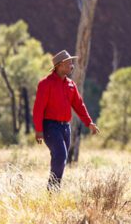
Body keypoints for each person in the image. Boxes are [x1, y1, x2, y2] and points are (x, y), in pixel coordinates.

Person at [32, 50, 99, 189]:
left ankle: (53, 191)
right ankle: (52, 190)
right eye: (69, 63)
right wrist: (39, 130)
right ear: (60, 65)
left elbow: (79, 105)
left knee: (60, 158)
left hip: (65, 128)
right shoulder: (45, 83)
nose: (72, 66)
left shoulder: (71, 85)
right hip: (50, 126)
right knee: (61, 156)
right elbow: (38, 109)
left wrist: (89, 122)